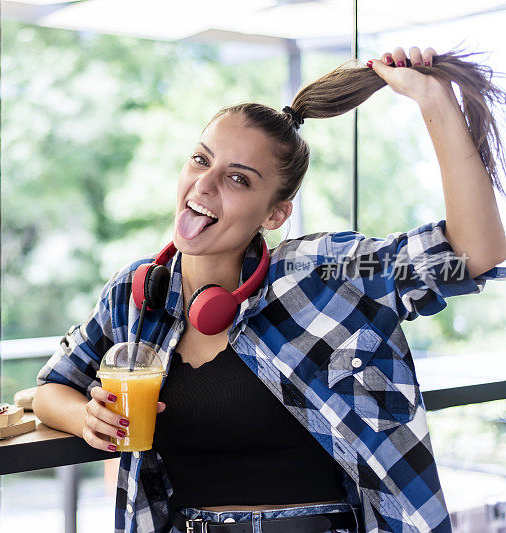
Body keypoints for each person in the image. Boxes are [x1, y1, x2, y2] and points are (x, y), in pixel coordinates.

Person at [33, 45, 506, 533]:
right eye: (200, 160)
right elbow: (51, 388)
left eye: (238, 179)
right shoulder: (136, 295)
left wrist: (436, 102)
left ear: (277, 213)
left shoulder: (325, 272)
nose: (204, 185)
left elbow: (472, 255)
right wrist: (86, 419)